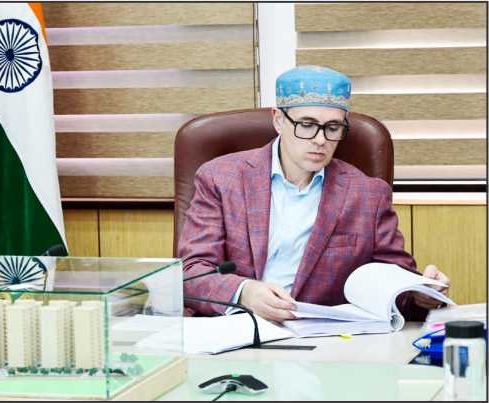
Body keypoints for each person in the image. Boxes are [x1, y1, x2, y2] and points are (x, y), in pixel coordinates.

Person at [179, 65, 451, 322]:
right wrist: (243, 293)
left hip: (325, 339)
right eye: (307, 125)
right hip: (238, 330)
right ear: (278, 120)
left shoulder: (368, 194)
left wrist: (422, 295)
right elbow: (191, 273)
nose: (320, 140)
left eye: (333, 128)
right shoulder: (221, 178)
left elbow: (396, 287)